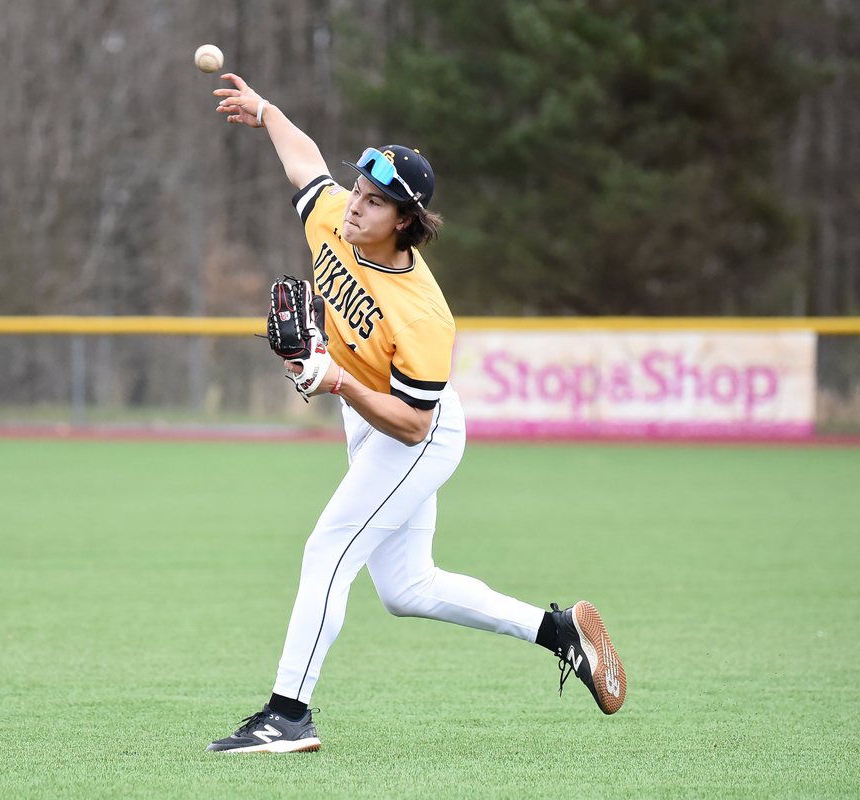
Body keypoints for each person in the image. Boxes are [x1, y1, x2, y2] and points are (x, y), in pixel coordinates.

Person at [206, 74, 626, 754]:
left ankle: (287, 716)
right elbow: (305, 163)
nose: (354, 208)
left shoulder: (424, 315)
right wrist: (266, 112)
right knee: (406, 588)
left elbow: (414, 424)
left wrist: (334, 378)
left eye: (374, 203)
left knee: (327, 553)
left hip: (416, 433)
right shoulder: (334, 218)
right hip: (374, 421)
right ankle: (560, 632)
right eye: (360, 193)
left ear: (404, 221)